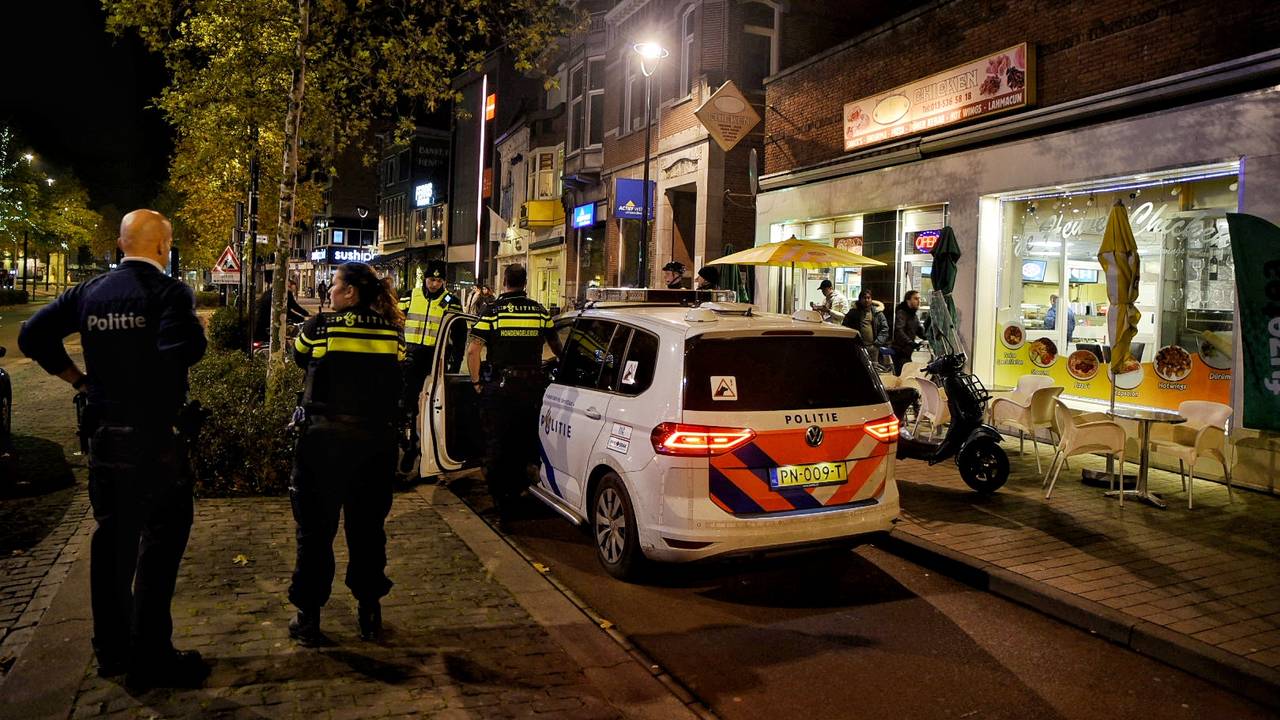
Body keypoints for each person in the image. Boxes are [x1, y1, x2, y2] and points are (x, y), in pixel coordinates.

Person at [18, 209, 209, 688]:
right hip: (157, 440)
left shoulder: (89, 292)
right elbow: (182, 350)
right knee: (160, 548)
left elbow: (32, 336)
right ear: (164, 248)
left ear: (122, 246)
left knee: (112, 549)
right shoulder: (169, 293)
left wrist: (81, 382)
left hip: (106, 437)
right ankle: (152, 655)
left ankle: (111, 653)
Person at [288, 261, 405, 645]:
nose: (331, 291)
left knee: (315, 534)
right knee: (368, 531)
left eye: (335, 285)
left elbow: (300, 357)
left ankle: (309, 620)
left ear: (351, 292)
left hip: (323, 446)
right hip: (374, 447)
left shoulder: (320, 328)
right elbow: (396, 375)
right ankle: (369, 613)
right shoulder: (391, 332)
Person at [466, 264, 562, 529]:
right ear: (525, 282)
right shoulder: (540, 311)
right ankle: (522, 491)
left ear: (505, 281)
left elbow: (474, 350)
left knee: (499, 444)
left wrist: (476, 383)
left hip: (503, 387)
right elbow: (556, 345)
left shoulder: (493, 311)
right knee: (525, 441)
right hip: (533, 389)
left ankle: (503, 503)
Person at [398, 260, 461, 472]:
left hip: (436, 359)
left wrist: (455, 363)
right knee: (407, 404)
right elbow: (396, 323)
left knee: (434, 404)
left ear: (444, 281)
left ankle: (431, 450)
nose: (434, 284)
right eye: (431, 279)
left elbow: (460, 335)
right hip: (410, 356)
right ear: (424, 278)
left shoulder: (451, 301)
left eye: (438, 280)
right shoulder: (409, 295)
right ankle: (410, 446)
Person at [254, 275, 310, 343]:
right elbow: (293, 308)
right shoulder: (284, 293)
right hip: (270, 323)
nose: (292, 289)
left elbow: (288, 310)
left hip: (259, 324)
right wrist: (304, 317)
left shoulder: (269, 292)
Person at [842, 288, 889, 358]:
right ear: (860, 299)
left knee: (874, 366)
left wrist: (877, 343)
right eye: (864, 298)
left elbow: (885, 328)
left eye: (868, 298)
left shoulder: (877, 313)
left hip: (873, 347)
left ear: (871, 299)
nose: (866, 300)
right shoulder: (853, 313)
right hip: (858, 347)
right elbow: (845, 327)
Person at [890, 290, 926, 375]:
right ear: (908, 300)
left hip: (908, 351)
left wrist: (930, 337)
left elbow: (919, 330)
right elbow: (899, 330)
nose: (919, 301)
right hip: (901, 351)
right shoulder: (902, 313)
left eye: (919, 299)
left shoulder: (913, 315)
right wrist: (910, 342)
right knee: (904, 377)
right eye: (916, 299)